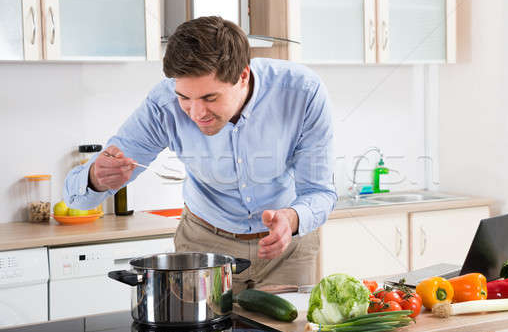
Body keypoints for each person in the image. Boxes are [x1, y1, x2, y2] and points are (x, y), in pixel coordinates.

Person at [63, 16, 337, 292]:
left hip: (287, 247)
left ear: (242, 76)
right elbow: (77, 197)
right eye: (184, 97)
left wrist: (290, 219)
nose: (196, 113)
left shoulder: (302, 92)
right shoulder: (162, 104)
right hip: (204, 247)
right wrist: (96, 178)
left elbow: (320, 192)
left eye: (210, 98)